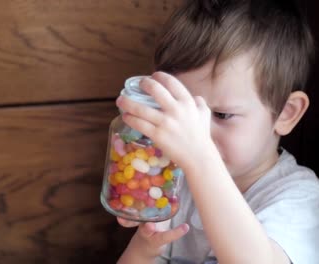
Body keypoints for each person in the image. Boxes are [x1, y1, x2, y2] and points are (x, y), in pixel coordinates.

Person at [115, 0, 319, 263]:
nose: (196, 131)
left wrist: (201, 160)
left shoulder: (299, 197)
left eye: (222, 115)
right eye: (183, 110)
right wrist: (144, 248)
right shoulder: (176, 182)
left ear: (285, 113)